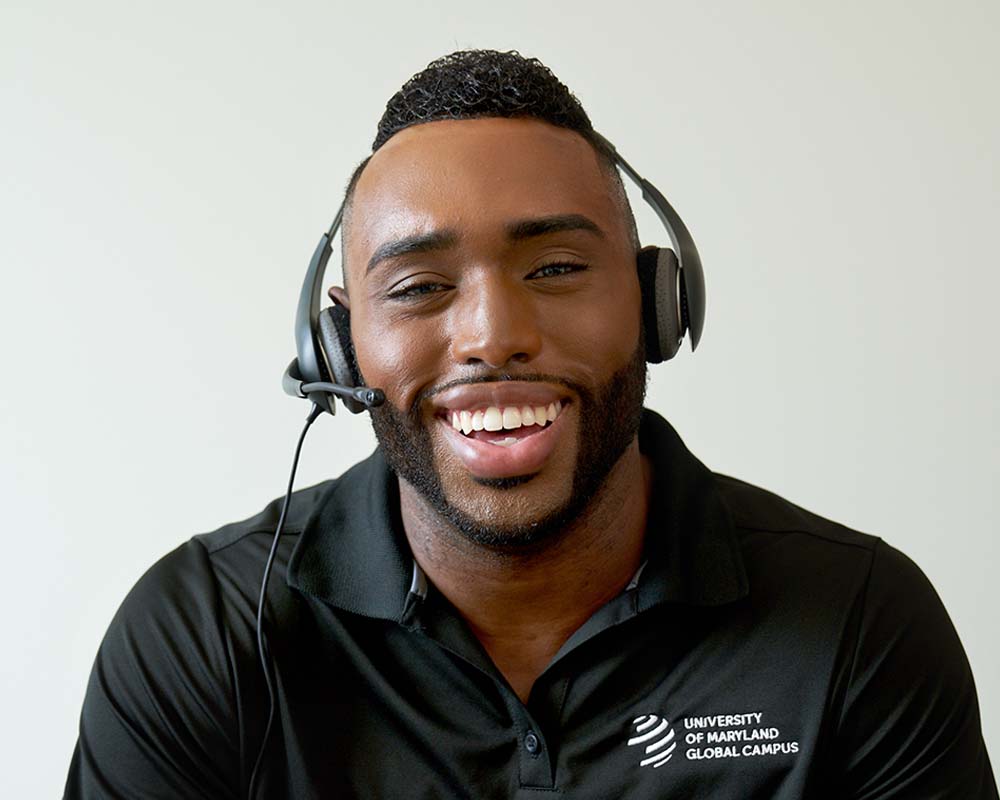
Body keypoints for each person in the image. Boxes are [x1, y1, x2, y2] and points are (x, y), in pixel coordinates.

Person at [65, 50, 997, 799]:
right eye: (421, 287)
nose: (493, 336)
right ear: (341, 348)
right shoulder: (201, 634)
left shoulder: (859, 621)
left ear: (656, 301)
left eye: (554, 268)